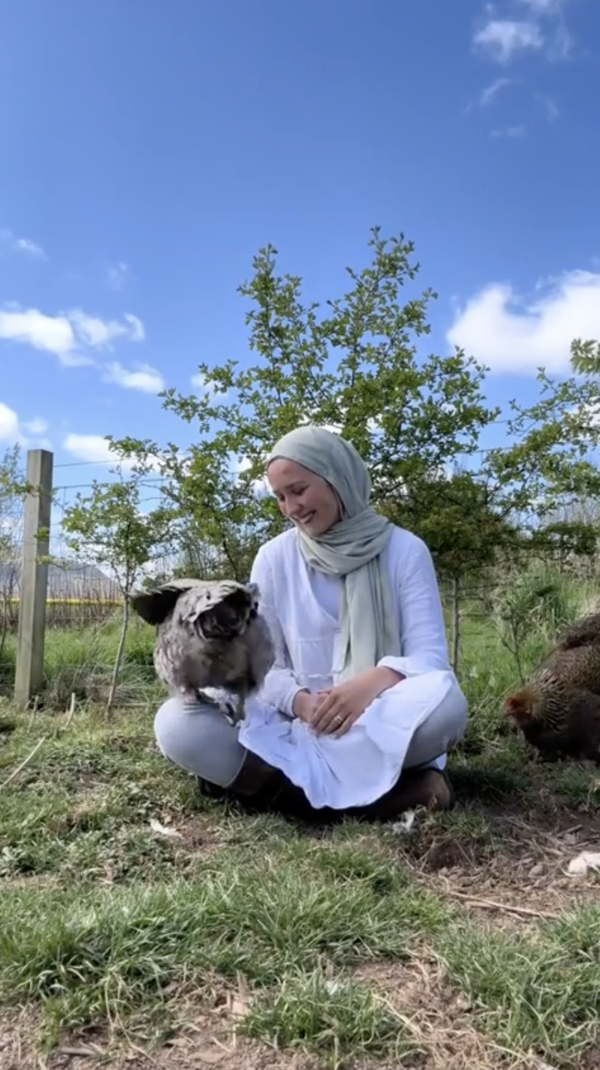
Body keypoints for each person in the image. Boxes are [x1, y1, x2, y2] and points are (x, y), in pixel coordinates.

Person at [154, 426, 468, 820]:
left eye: (299, 490)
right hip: (295, 723)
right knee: (177, 723)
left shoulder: (404, 551)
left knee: (449, 708)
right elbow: (264, 667)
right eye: (280, 497)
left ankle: (273, 793)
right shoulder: (273, 558)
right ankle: (384, 799)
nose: (291, 508)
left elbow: (430, 658)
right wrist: (301, 702)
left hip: (380, 719)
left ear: (337, 479)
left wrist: (365, 688)